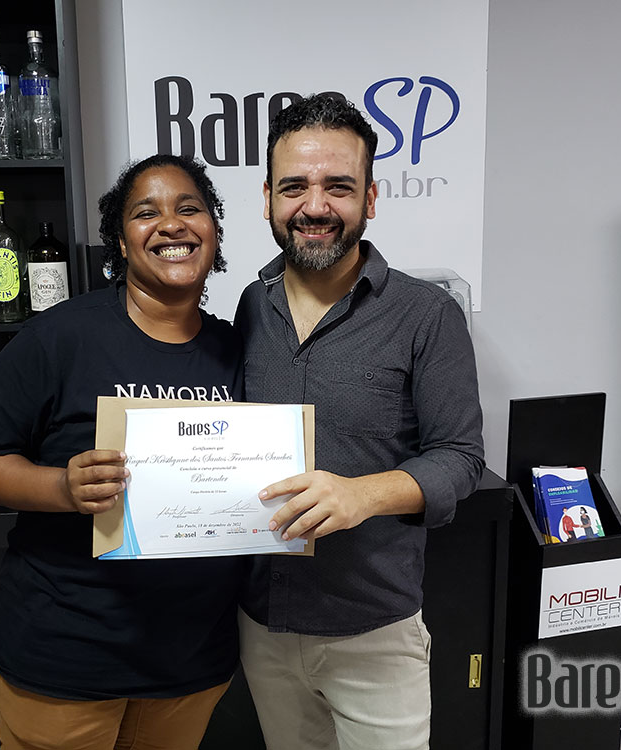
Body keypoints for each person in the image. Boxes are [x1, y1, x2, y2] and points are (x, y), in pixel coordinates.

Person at [0, 153, 243, 750]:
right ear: (120, 240)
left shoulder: (238, 349)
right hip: (67, 656)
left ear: (213, 229)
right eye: (146, 213)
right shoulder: (60, 337)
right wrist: (62, 488)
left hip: (190, 660)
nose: (171, 224)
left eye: (190, 208)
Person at [233, 94, 485, 750]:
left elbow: (459, 458)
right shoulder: (250, 307)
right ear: (268, 199)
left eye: (338, 187)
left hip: (374, 631)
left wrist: (359, 495)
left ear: (370, 199)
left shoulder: (426, 315)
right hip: (263, 624)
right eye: (294, 187)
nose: (315, 206)